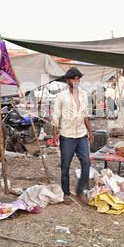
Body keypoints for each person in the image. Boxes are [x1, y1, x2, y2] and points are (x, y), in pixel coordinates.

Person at [52, 67, 94, 205]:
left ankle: (81, 190)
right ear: (67, 81)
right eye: (73, 79)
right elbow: (56, 116)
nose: (76, 81)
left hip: (81, 134)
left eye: (78, 79)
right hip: (67, 135)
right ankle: (66, 193)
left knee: (86, 162)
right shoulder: (61, 97)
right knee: (65, 165)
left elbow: (85, 115)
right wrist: (55, 134)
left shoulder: (83, 95)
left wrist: (90, 131)